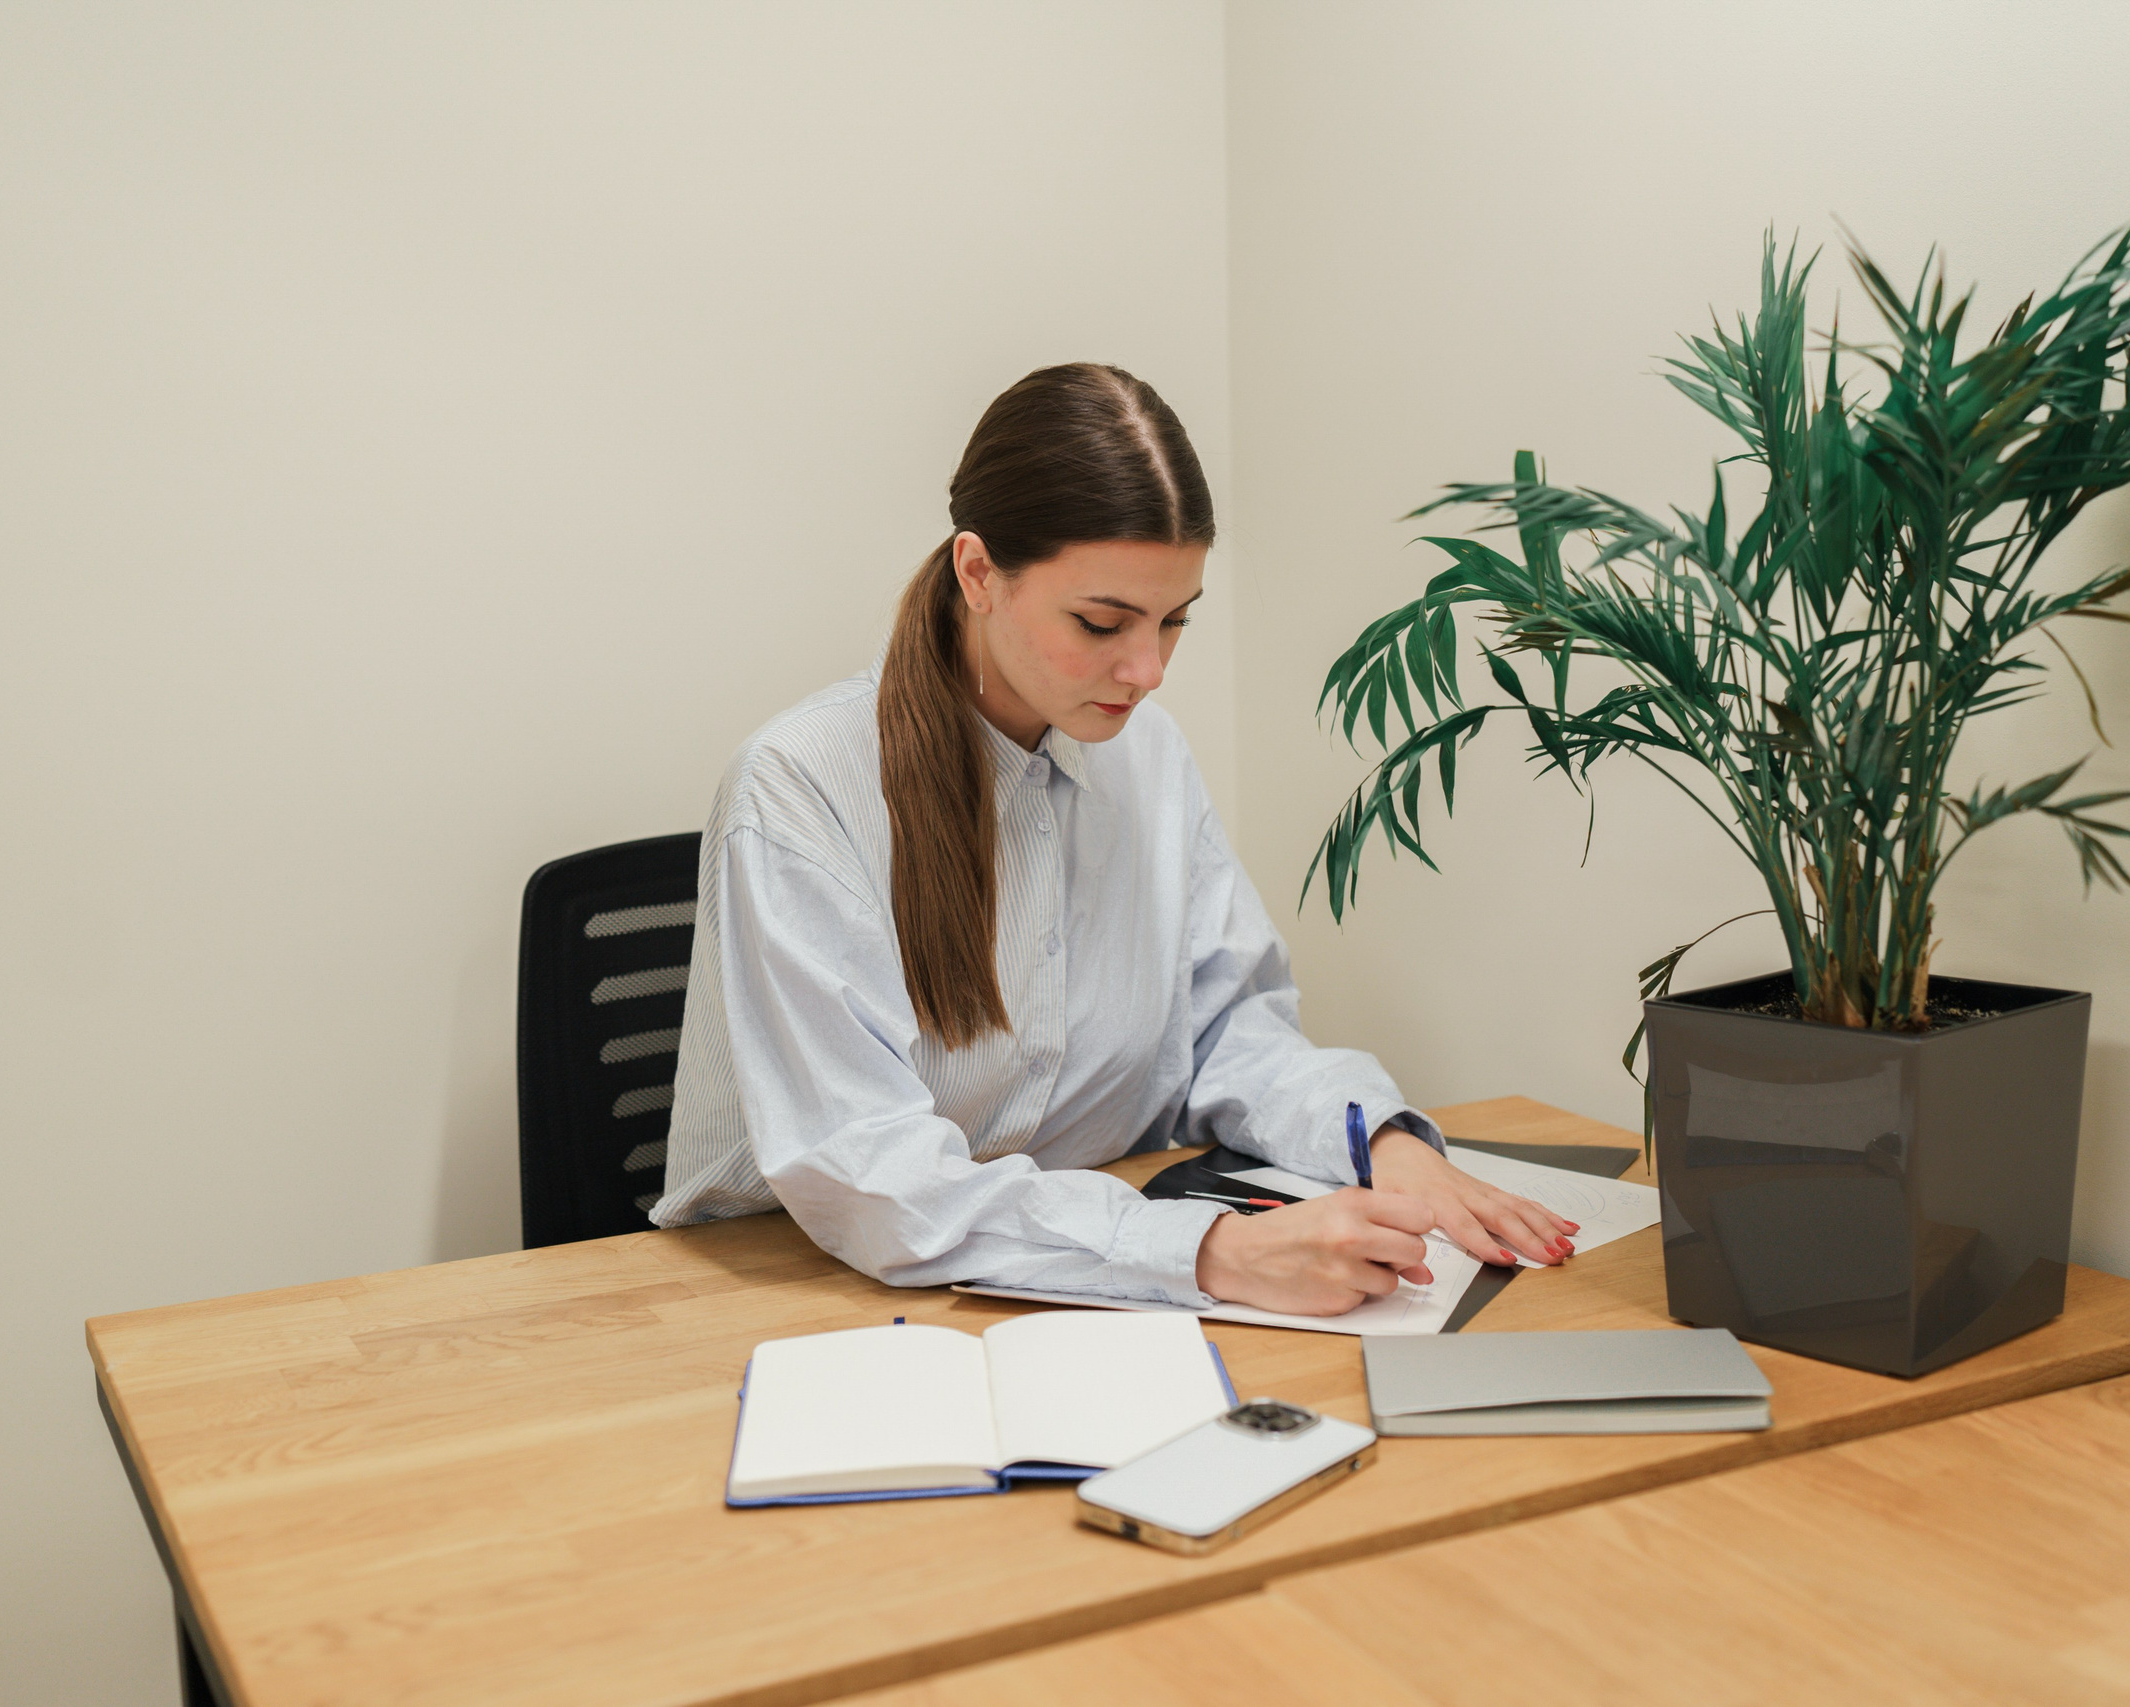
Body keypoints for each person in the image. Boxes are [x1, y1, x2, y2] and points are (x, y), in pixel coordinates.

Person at [654, 362, 1577, 1315]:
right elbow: (873, 1174)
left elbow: (1226, 1030)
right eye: (1102, 621)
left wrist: (1383, 1146)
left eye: (1174, 621)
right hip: (798, 1292)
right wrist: (1209, 1253)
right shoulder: (803, 783)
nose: (1148, 670)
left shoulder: (1148, 755)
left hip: (1067, 1279)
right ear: (978, 573)